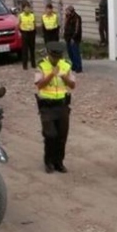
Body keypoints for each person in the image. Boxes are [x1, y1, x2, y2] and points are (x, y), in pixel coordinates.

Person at [34, 41, 76, 174]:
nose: (56, 60)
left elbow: (72, 85)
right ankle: (48, 161)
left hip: (62, 105)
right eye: (54, 57)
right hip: (47, 106)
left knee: (62, 136)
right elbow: (39, 85)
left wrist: (64, 77)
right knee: (50, 135)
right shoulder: (41, 65)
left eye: (58, 57)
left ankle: (59, 162)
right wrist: (52, 74)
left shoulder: (66, 65)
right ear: (49, 54)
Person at [64, 5, 83, 73]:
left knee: (75, 53)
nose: (66, 12)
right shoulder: (67, 17)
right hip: (68, 37)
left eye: (67, 11)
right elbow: (66, 27)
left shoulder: (77, 18)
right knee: (70, 53)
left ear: (71, 11)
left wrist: (73, 38)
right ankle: (74, 65)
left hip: (74, 38)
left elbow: (77, 29)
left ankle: (79, 67)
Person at [18, 1, 37, 70]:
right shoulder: (21, 16)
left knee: (32, 49)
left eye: (28, 8)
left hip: (31, 32)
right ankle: (25, 65)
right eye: (26, 8)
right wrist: (21, 32)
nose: (27, 9)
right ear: (23, 9)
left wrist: (34, 31)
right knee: (25, 50)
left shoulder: (32, 15)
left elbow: (34, 23)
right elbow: (18, 24)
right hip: (24, 33)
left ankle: (33, 64)